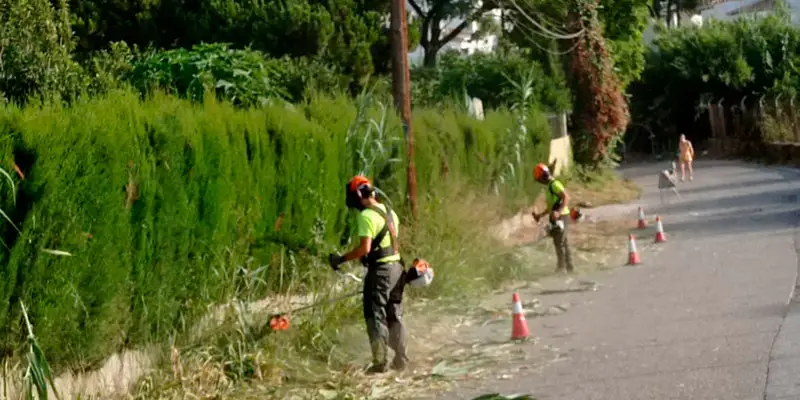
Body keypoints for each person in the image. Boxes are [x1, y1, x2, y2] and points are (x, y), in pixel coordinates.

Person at [328, 176, 408, 374]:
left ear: (357, 195)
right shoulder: (390, 212)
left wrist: (341, 259)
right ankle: (401, 357)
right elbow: (387, 243)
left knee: (375, 314)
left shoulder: (365, 216)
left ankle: (380, 362)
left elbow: (365, 248)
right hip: (397, 269)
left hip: (381, 272)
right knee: (394, 315)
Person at [531, 163, 575, 273]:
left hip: (562, 216)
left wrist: (558, 213)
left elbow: (566, 197)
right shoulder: (550, 187)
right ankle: (569, 267)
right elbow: (551, 206)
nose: (539, 182)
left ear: (542, 177)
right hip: (556, 217)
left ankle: (562, 268)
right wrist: (540, 215)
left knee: (560, 242)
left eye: (539, 179)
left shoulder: (555, 184)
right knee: (562, 242)